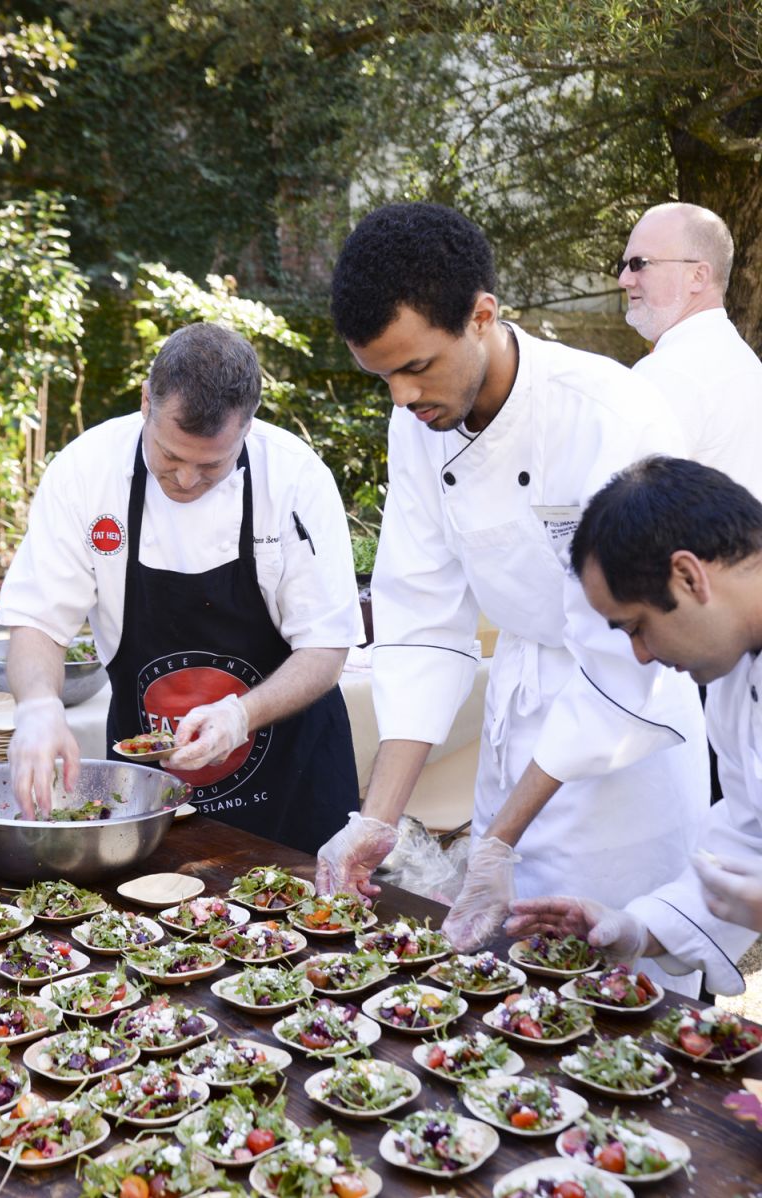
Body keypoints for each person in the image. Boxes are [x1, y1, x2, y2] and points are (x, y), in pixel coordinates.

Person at [317, 201, 709, 993]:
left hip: (623, 762)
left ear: (483, 316)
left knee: (626, 1004)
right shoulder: (419, 424)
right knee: (510, 1009)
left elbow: (623, 655)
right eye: (381, 374)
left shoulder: (612, 416)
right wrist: (378, 819)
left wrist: (493, 841)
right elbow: (423, 622)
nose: (399, 397)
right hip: (520, 723)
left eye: (417, 366)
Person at [0, 322, 363, 854]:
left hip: (292, 780)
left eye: (211, 465)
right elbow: (38, 620)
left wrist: (240, 715)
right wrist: (37, 705)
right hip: (150, 783)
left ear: (248, 426)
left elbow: (326, 647)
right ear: (146, 401)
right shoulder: (87, 471)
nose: (186, 481)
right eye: (169, 457)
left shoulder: (294, 478)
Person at [507, 456, 762, 996]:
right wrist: (641, 927)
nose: (641, 655)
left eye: (638, 627)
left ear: (689, 576)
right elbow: (748, 832)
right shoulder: (735, 677)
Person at [618, 201, 762, 497]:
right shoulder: (742, 359)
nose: (624, 279)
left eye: (639, 264)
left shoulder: (669, 372)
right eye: (623, 265)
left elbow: (627, 507)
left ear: (698, 276)